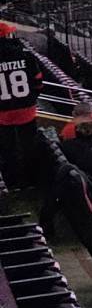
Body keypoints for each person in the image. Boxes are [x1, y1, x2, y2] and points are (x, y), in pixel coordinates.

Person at [0, 24, 43, 189]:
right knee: (29, 147)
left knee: (7, 150)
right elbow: (38, 82)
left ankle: (12, 183)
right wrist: (31, 99)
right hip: (27, 110)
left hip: (3, 113)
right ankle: (32, 181)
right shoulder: (26, 56)